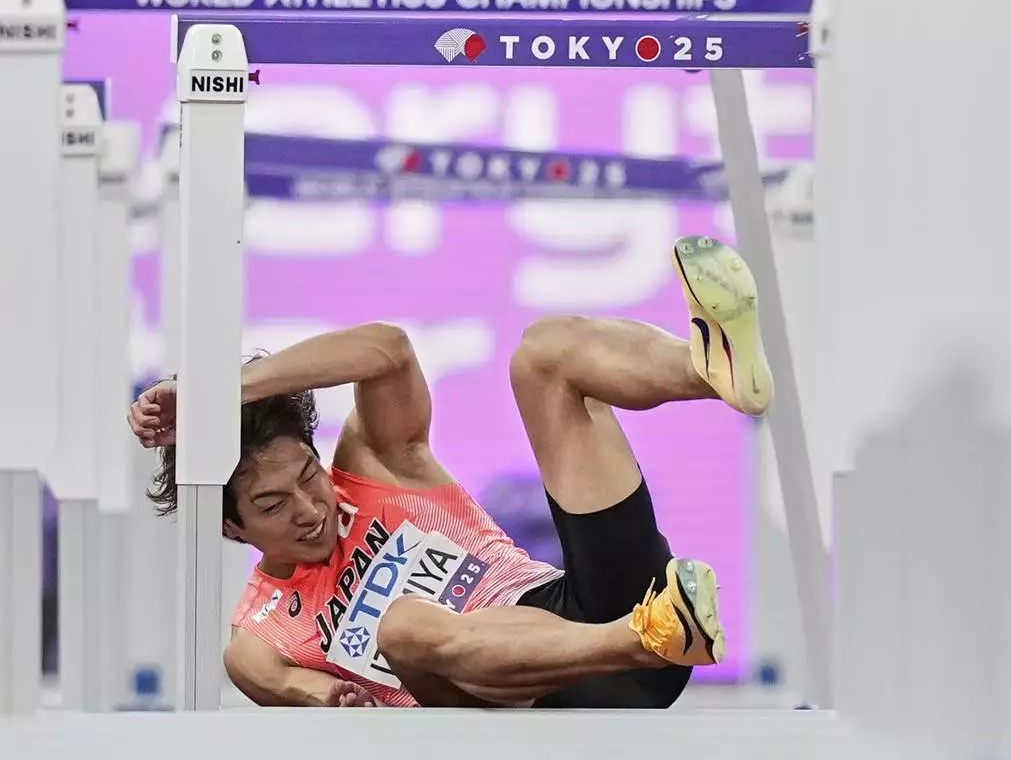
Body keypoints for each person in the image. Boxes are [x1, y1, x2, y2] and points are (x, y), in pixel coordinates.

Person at [128, 235, 773, 709]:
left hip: (589, 608)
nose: (308, 508)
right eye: (272, 505)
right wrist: (335, 702)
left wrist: (224, 390)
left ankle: (705, 369)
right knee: (403, 626)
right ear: (233, 529)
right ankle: (646, 637)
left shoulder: (376, 465)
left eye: (307, 475)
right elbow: (315, 698)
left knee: (544, 353)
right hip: (518, 710)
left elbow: (386, 348)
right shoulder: (260, 636)